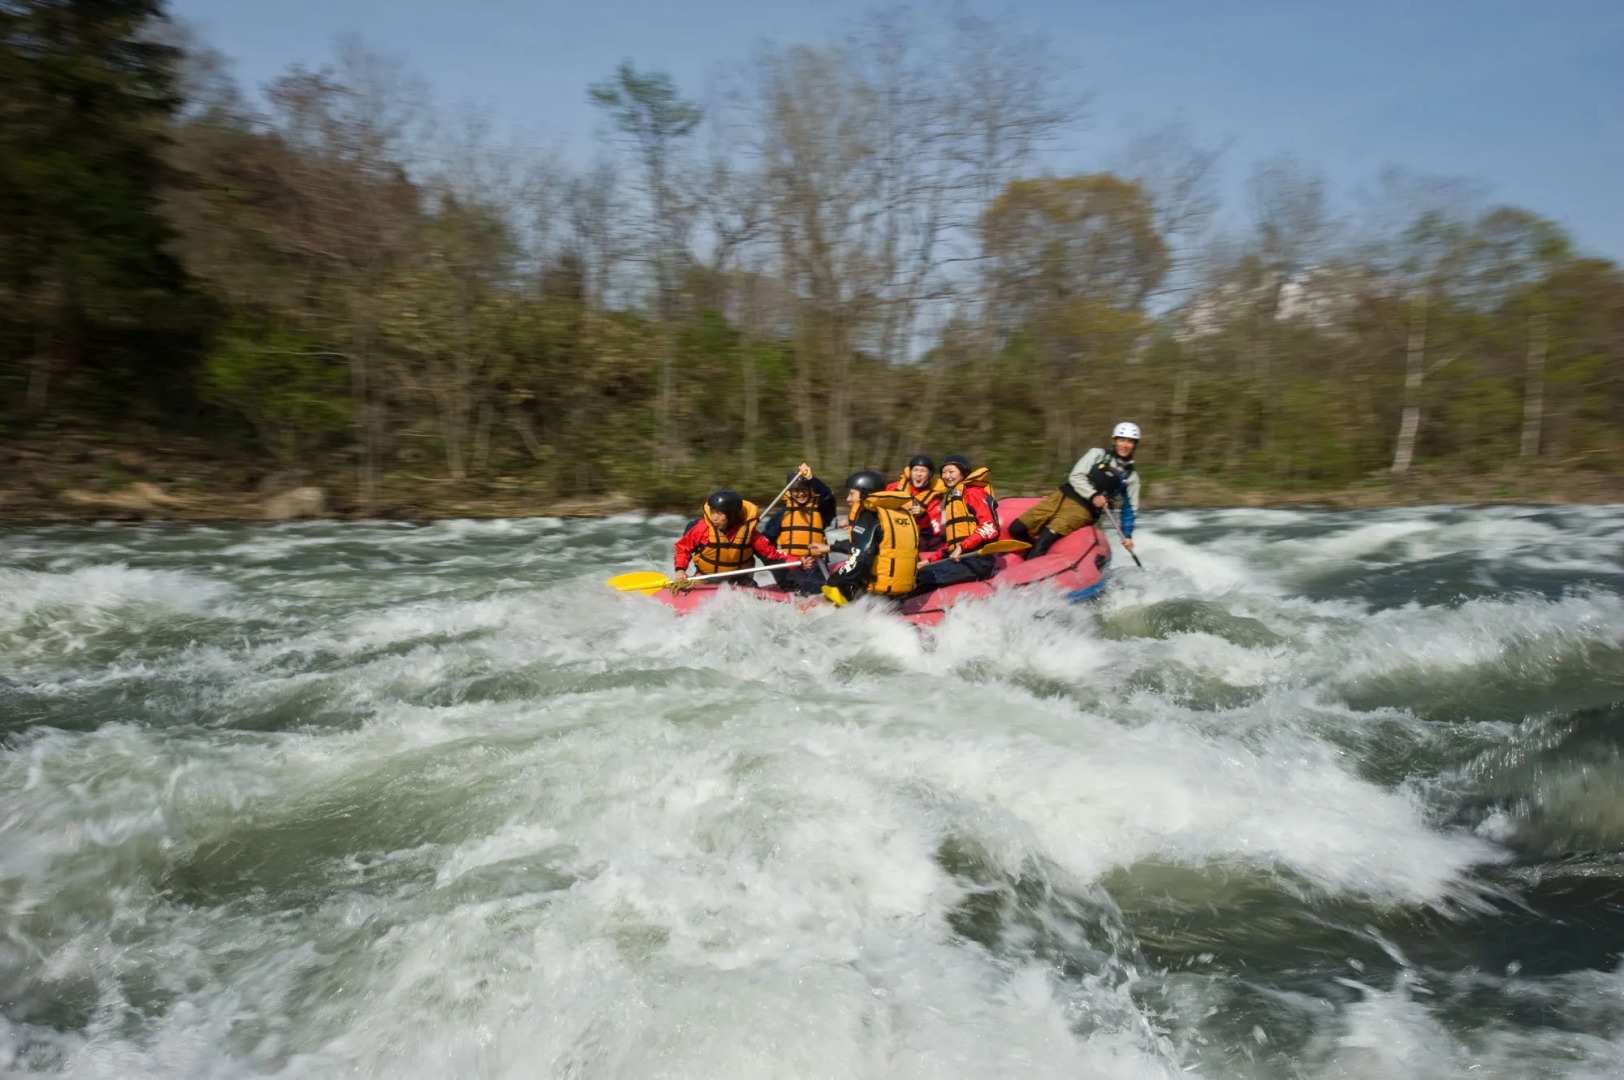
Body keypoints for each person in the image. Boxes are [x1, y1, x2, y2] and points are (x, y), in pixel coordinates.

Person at [1009, 422, 1142, 559]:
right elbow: (1076, 476)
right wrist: (1094, 495)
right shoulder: (1096, 454)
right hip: (1061, 497)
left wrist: (1127, 535)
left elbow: (1129, 509)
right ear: (1114, 441)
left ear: (1135, 445)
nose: (1125, 445)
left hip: (1083, 510)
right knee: (1016, 528)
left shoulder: (1131, 477)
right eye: (1122, 440)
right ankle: (1026, 555)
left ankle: (1032, 564)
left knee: (1044, 539)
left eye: (1130, 442)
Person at [811, 470, 920, 603]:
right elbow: (873, 547)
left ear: (864, 494)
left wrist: (834, 580)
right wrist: (830, 547)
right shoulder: (899, 515)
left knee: (834, 585)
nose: (847, 499)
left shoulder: (869, 516)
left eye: (851, 494)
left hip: (873, 592)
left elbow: (860, 558)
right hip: (898, 592)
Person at [673, 489, 813, 584]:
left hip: (740, 584)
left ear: (732, 515)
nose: (714, 518)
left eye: (720, 514)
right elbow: (683, 549)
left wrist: (799, 561)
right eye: (713, 512)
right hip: (706, 580)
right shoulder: (700, 528)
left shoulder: (749, 533)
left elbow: (773, 555)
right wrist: (680, 571)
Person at [910, 454, 1000, 593]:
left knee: (923, 576)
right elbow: (954, 542)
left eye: (951, 472)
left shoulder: (973, 493)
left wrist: (962, 547)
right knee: (916, 573)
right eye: (944, 472)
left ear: (963, 473)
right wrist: (929, 561)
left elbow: (989, 527)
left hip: (977, 560)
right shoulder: (954, 496)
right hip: (963, 558)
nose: (947, 476)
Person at [760, 463, 836, 595]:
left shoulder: (820, 511)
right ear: (789, 492)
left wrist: (812, 479)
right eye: (796, 490)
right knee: (797, 588)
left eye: (804, 489)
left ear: (810, 490)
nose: (801, 494)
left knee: (815, 590)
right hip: (789, 564)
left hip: (814, 563)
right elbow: (765, 545)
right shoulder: (781, 515)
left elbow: (829, 497)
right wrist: (788, 560)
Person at [887, 453, 947, 551]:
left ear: (929, 475)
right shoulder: (893, 488)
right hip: (889, 533)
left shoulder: (933, 500)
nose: (918, 474)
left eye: (923, 471)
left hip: (913, 540)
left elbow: (933, 532)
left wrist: (922, 515)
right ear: (910, 472)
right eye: (915, 470)